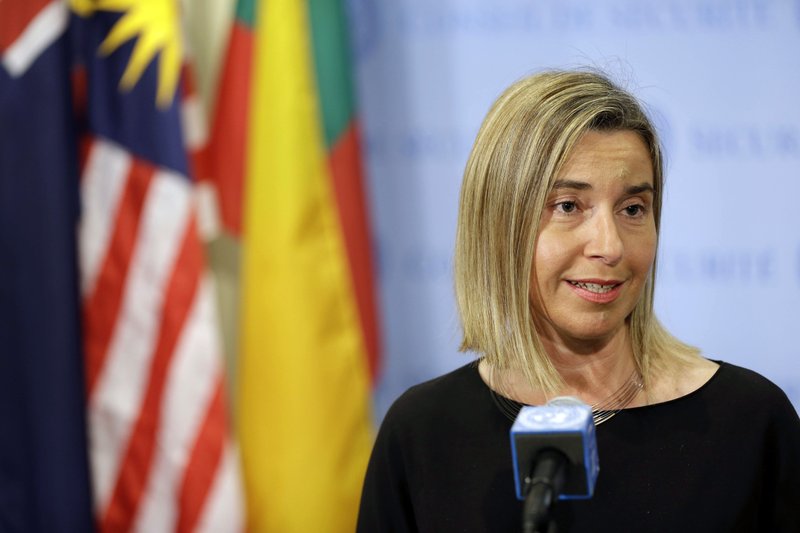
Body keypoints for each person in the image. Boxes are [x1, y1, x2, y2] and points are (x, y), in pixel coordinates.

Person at [356, 70, 800, 532]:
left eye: (633, 209)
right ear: (499, 224)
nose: (609, 246)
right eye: (568, 206)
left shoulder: (750, 423)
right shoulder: (424, 433)